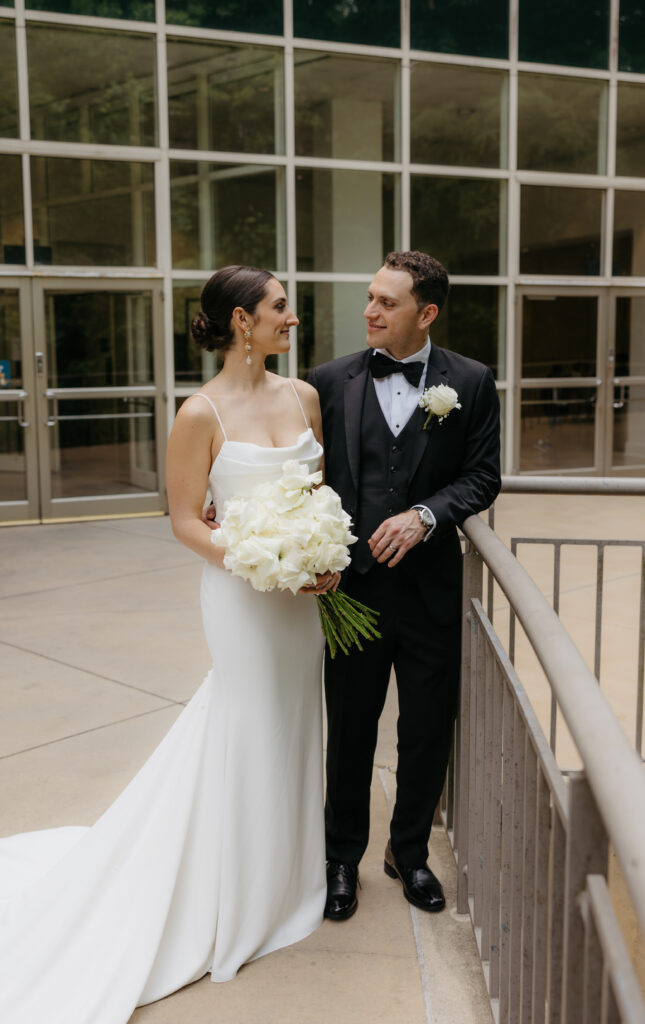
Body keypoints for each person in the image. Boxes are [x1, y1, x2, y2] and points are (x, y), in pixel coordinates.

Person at [0, 266, 337, 1024]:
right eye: (280, 307)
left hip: (301, 603)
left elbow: (318, 494)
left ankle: (286, 880)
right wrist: (265, 565)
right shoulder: (200, 412)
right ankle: (235, 893)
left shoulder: (305, 396)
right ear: (242, 322)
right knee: (245, 725)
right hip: (244, 598)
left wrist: (317, 561)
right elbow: (186, 520)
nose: (292, 316)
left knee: (290, 727)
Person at [307, 251, 501, 920]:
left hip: (430, 592)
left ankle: (408, 853)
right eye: (369, 297)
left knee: (424, 733)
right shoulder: (327, 382)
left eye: (386, 303)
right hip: (351, 593)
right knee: (350, 733)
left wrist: (426, 516)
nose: (369, 311)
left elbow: (481, 476)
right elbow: (300, 470)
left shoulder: (470, 382)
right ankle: (341, 861)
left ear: (426, 313)